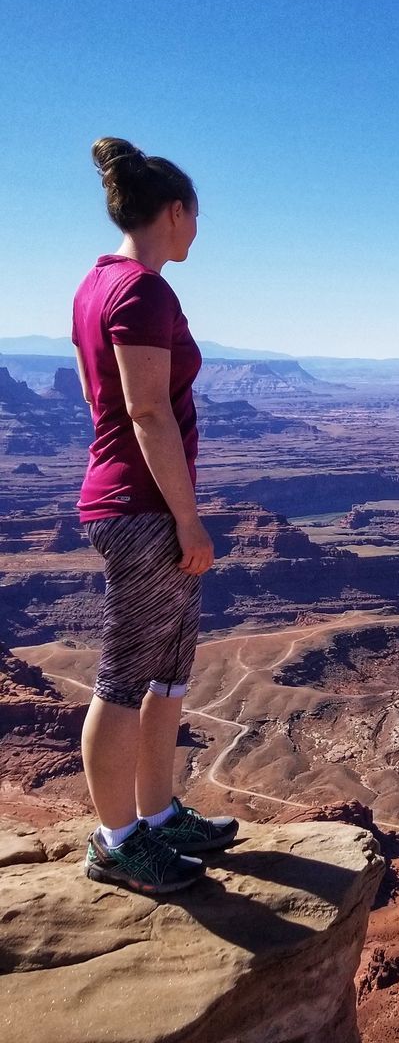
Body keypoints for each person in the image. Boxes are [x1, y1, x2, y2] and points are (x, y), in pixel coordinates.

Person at [72, 136, 238, 895]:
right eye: (195, 216)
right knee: (124, 676)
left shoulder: (93, 288)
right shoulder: (143, 292)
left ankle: (159, 815)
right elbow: (143, 411)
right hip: (144, 510)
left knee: (167, 674)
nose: (197, 231)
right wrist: (187, 518)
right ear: (175, 212)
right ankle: (117, 842)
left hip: (135, 503)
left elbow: (94, 399)